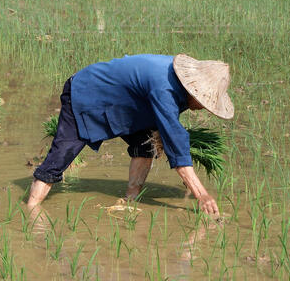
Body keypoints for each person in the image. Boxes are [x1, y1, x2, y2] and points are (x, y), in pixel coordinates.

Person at [27, 54, 234, 215]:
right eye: (204, 102)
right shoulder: (165, 88)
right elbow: (176, 144)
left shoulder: (176, 81)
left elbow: (170, 131)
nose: (203, 108)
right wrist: (202, 195)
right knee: (61, 156)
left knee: (144, 145)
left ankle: (130, 202)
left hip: (123, 103)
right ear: (194, 90)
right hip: (85, 93)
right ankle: (31, 211)